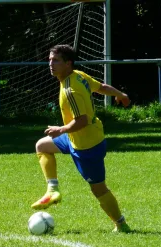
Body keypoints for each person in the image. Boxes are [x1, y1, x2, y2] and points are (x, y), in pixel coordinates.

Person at [31, 44, 131, 233]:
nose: (51, 64)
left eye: (56, 60)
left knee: (99, 189)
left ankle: (121, 223)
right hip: (79, 138)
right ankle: (53, 190)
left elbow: (82, 121)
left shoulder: (71, 89)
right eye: (50, 59)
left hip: (87, 147)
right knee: (42, 146)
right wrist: (120, 94)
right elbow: (100, 87)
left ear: (68, 63)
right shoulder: (78, 75)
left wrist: (60, 129)